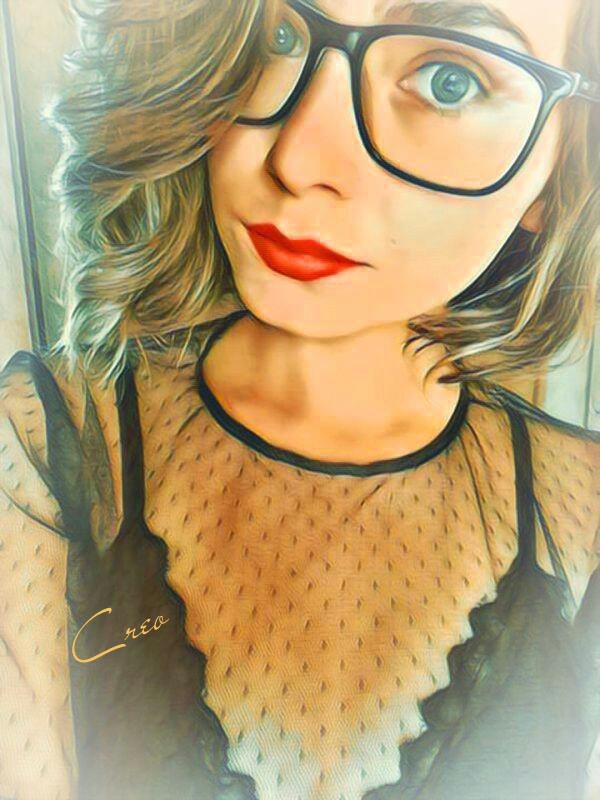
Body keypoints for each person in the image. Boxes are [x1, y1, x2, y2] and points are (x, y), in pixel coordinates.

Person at [0, 0, 598, 798]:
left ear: (563, 164)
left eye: (448, 81)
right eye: (279, 33)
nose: (298, 156)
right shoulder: (44, 445)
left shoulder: (585, 513)